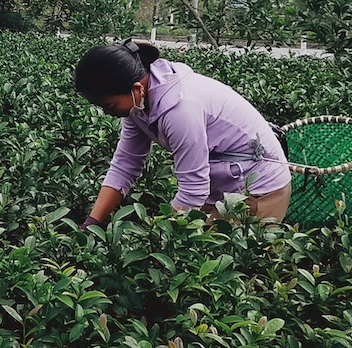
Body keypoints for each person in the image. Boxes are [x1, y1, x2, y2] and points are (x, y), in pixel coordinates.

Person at [75, 39, 291, 226]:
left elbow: (193, 189)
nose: (106, 113)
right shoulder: (136, 106)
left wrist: (158, 236)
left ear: (136, 89)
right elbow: (125, 164)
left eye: (110, 105)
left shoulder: (180, 109)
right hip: (220, 186)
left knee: (233, 265)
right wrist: (92, 221)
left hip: (258, 190)